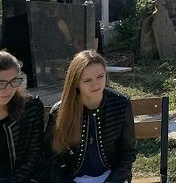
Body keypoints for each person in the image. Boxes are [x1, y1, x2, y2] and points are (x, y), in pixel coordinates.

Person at [46, 50, 136, 183]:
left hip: (111, 176)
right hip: (73, 178)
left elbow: (128, 152)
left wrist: (112, 181)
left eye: (100, 76)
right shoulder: (60, 110)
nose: (96, 84)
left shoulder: (121, 103)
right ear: (76, 82)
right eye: (87, 80)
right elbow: (51, 159)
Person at [0, 51, 44, 182]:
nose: (8, 89)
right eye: (1, 83)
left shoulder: (31, 107)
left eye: (14, 81)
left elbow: (34, 155)